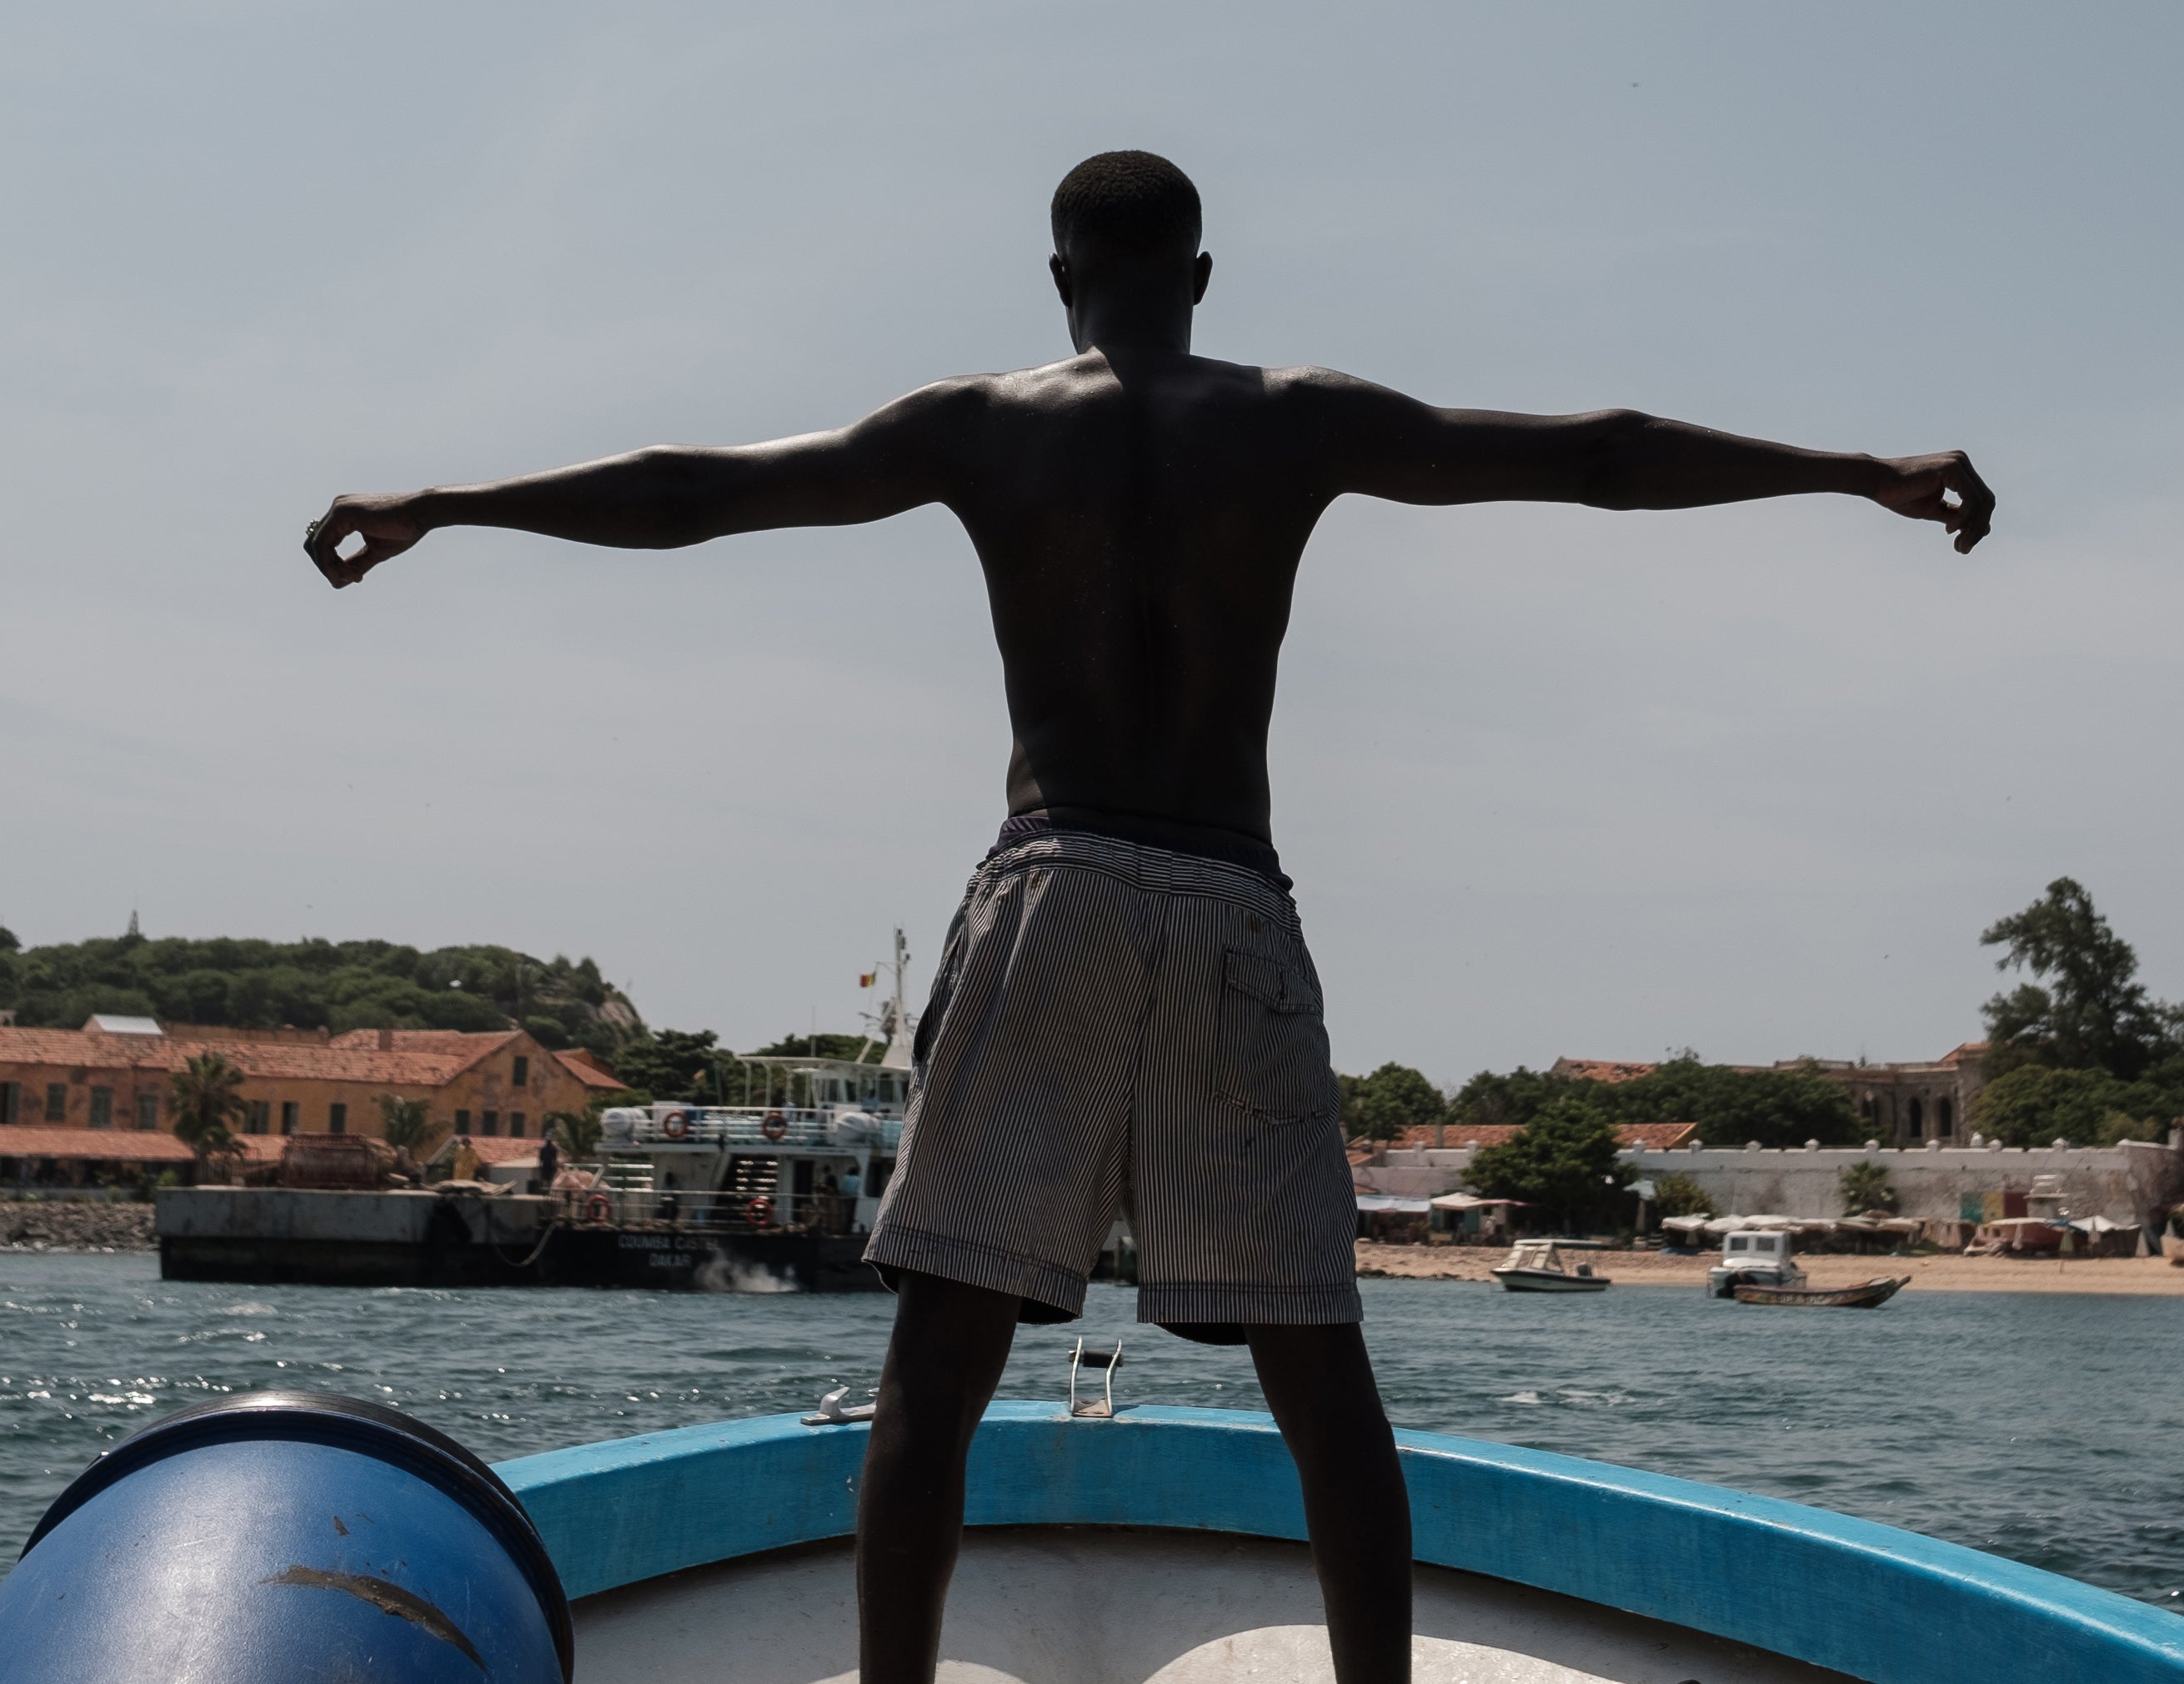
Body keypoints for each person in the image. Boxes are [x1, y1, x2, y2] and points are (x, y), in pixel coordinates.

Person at [303, 150, 1993, 1683]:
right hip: (1221, 896)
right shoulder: (1293, 416)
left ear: (1058, 280)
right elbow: (1593, 459)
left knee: (935, 1366)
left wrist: (447, 502)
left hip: (1049, 883)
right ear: (1199, 274)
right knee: (1318, 1371)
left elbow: (697, 486)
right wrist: (1855, 470)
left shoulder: (982, 420)